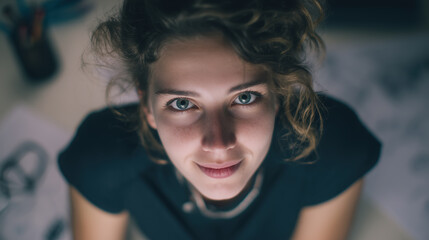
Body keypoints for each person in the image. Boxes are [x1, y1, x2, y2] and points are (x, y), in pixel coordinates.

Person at [58, 0, 381, 239]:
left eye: (244, 97)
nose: (219, 142)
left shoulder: (331, 148)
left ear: (279, 92)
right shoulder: (102, 160)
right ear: (146, 107)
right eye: (183, 103)